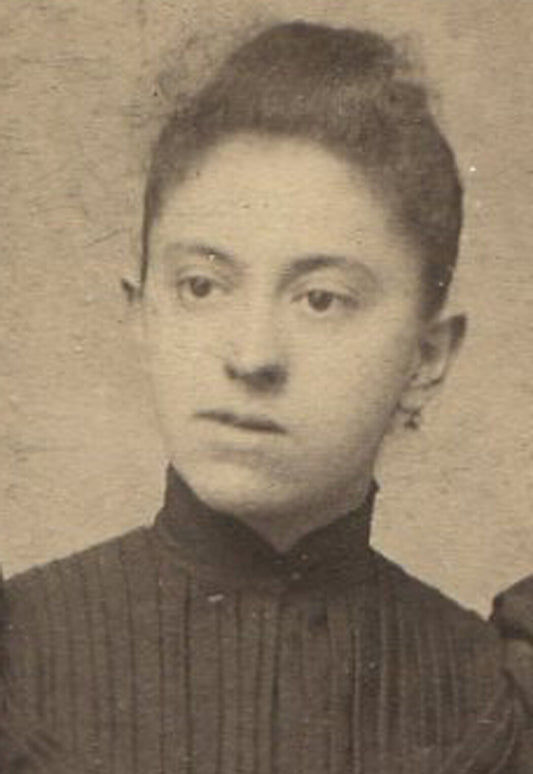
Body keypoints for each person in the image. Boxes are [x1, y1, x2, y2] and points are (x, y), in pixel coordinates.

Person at [1, 20, 531, 774]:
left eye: (321, 299)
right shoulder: (19, 657)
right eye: (201, 286)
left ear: (426, 357)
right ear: (141, 312)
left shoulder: (492, 704)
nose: (250, 356)